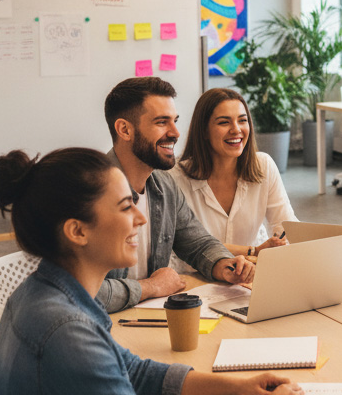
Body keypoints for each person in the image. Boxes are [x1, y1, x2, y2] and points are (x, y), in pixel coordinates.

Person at [0, 148, 311, 395]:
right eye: (124, 207)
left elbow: (132, 373)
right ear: (77, 231)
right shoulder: (65, 331)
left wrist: (236, 386)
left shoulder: (44, 292)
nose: (140, 218)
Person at [97, 77, 254, 313]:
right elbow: (82, 291)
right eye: (161, 122)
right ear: (125, 130)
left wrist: (226, 265)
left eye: (175, 121)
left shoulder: (164, 185)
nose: (175, 133)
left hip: (148, 317)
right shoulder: (90, 193)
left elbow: (198, 244)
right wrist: (150, 287)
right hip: (104, 326)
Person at [170, 88, 297, 263]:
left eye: (242, 120)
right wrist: (253, 251)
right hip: (196, 278)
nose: (236, 130)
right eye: (224, 122)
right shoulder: (173, 177)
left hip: (250, 275)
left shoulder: (263, 165)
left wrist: (279, 243)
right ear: (204, 130)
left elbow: (286, 226)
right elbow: (184, 244)